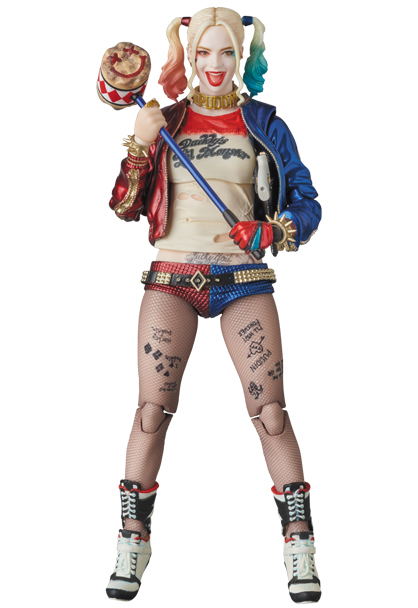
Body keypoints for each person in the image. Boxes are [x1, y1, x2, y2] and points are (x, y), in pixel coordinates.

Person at [106, 7, 322, 603]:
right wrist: (140, 144)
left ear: (241, 56)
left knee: (270, 411)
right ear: (190, 55)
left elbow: (307, 202)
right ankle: (132, 541)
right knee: (151, 411)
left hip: (242, 277)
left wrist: (272, 230)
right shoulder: (166, 120)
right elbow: (124, 207)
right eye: (204, 52)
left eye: (227, 51)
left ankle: (300, 545)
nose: (216, 64)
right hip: (173, 276)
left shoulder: (265, 123)